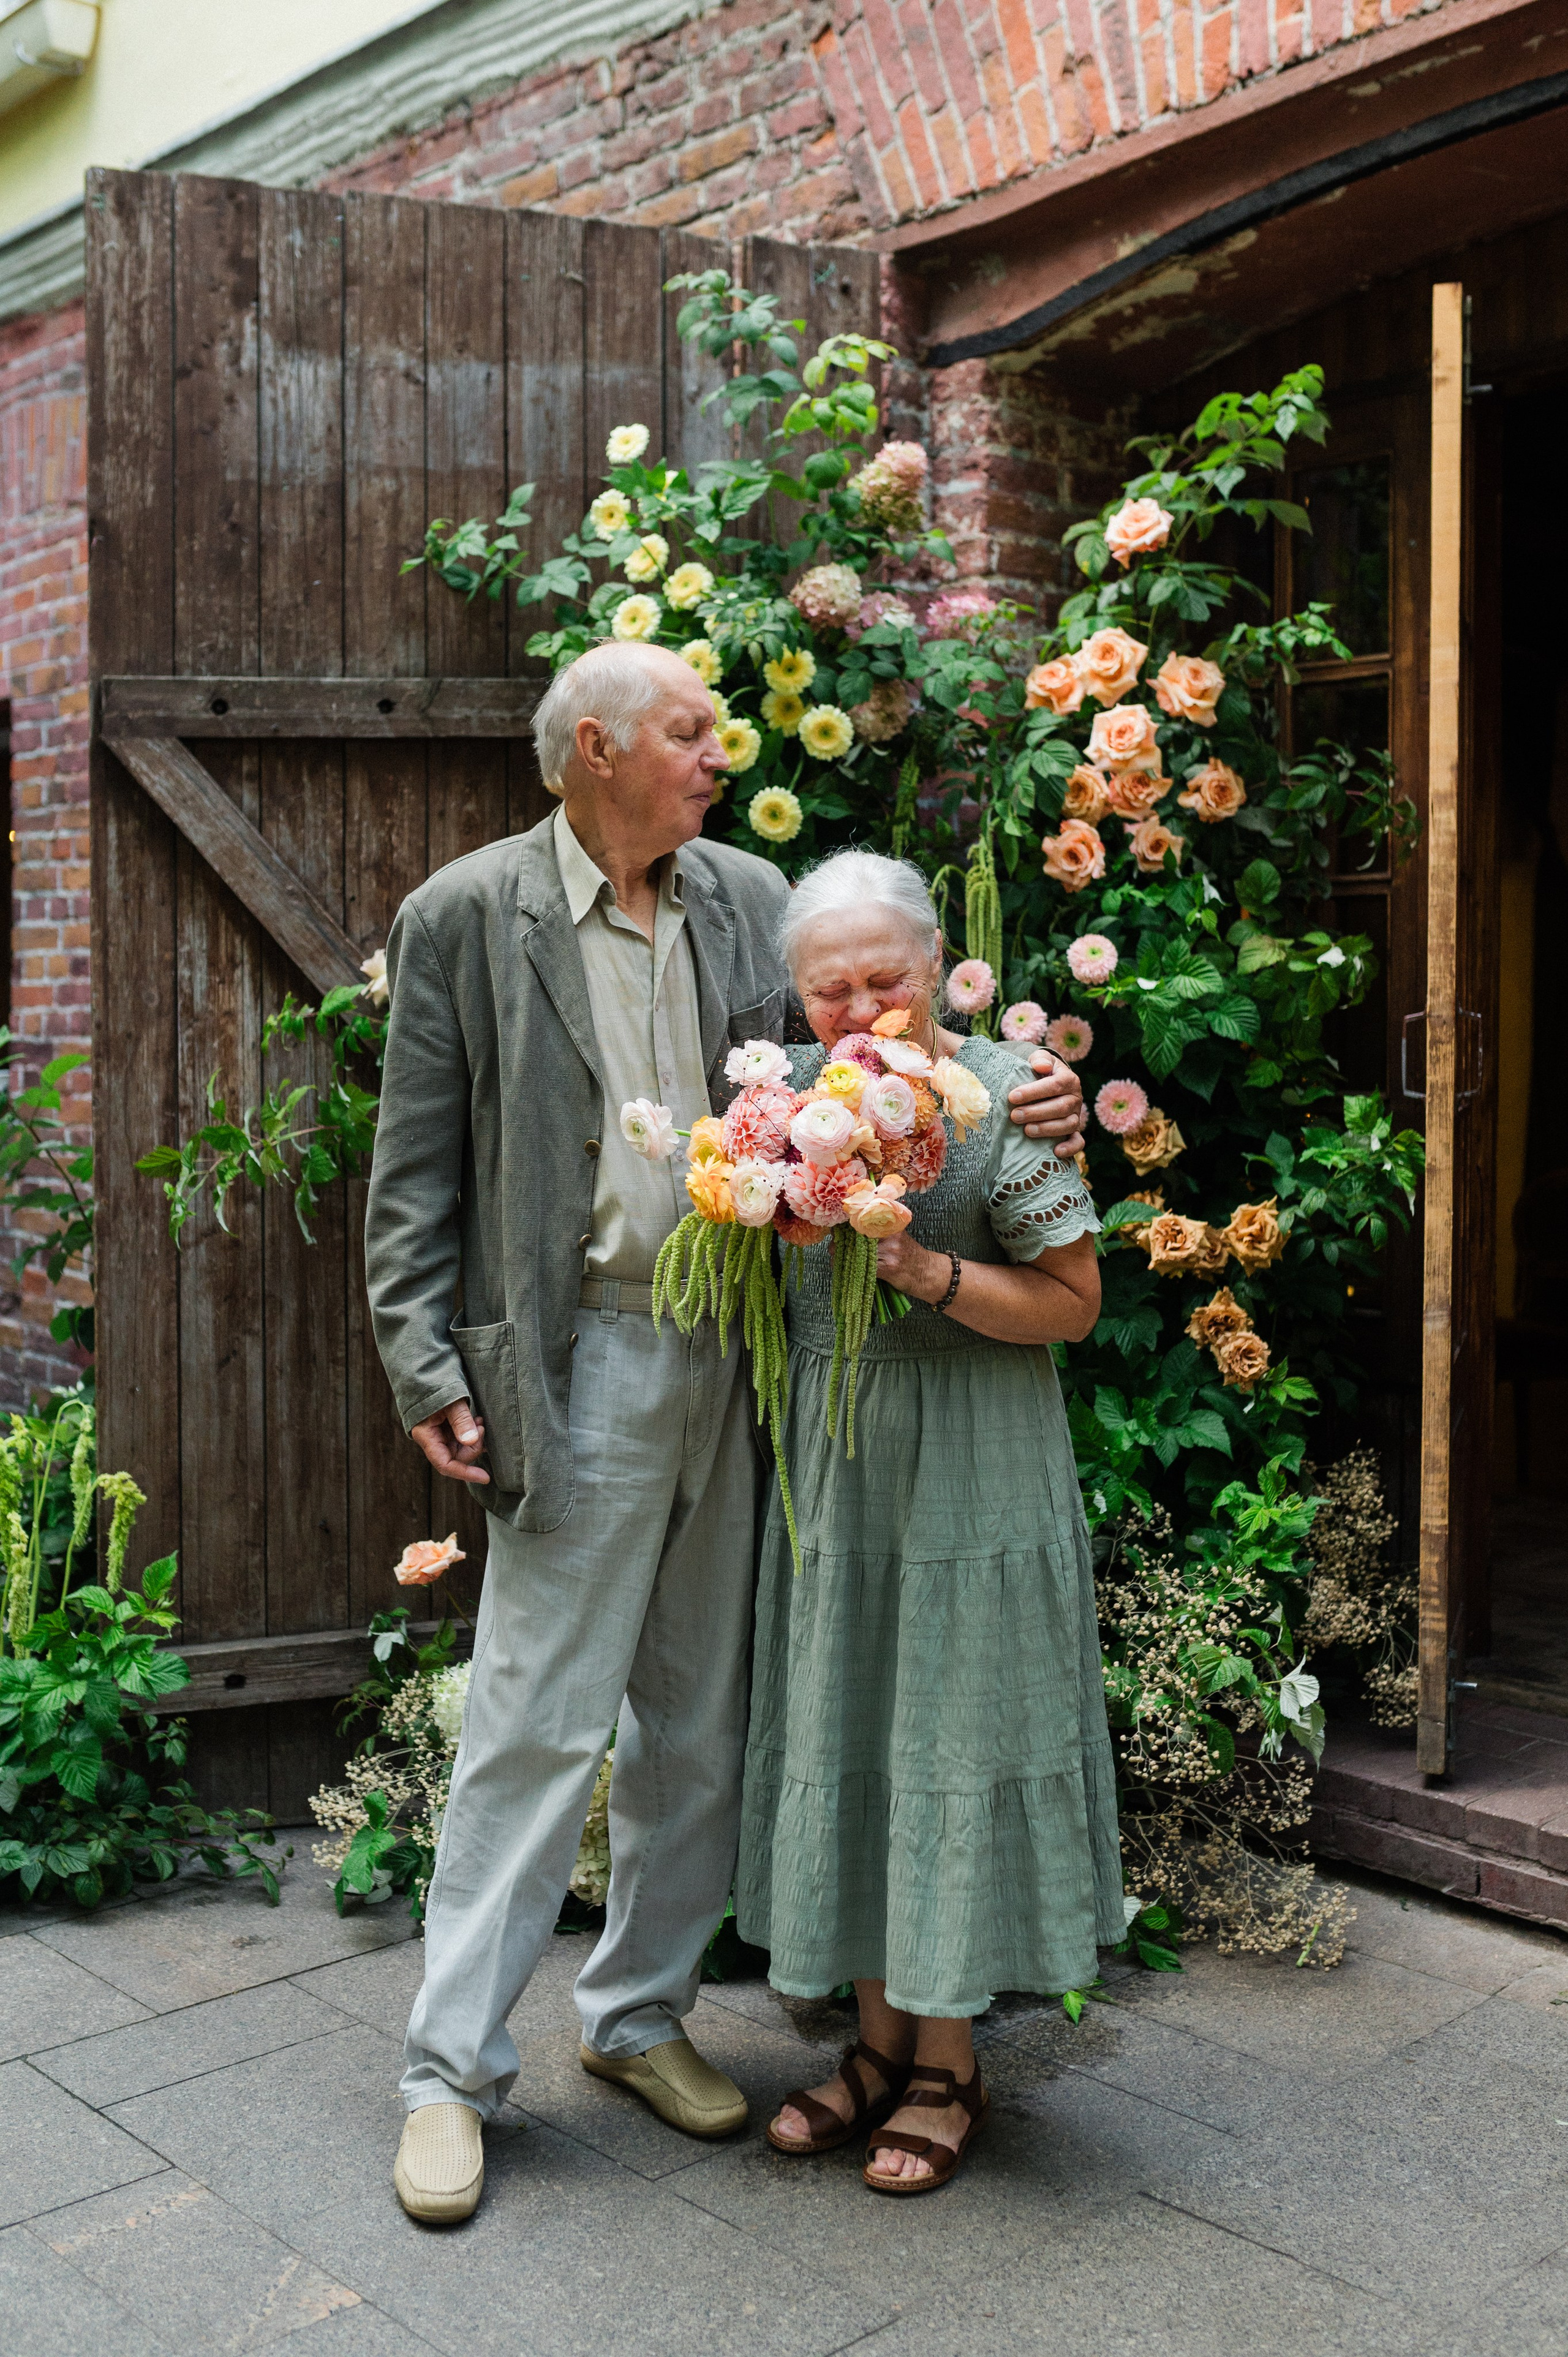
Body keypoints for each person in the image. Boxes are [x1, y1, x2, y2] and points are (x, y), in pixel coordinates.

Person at [362, 641, 1087, 2224]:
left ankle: (632, 2021)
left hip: (751, 1351)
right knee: (539, 1724)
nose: (720, 751)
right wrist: (428, 1367)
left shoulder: (753, 897)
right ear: (596, 749)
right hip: (576, 1363)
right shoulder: (470, 916)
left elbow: (883, 1048)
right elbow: (414, 1174)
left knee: (695, 1722)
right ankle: (449, 2078)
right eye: (692, 730)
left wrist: (1033, 1091)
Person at [736, 850, 1125, 2195]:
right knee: (849, 1722)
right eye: (827, 988)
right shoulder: (779, 1107)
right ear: (794, 995)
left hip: (967, 1465)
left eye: (884, 980)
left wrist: (927, 1269)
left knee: (948, 1736)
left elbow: (1072, 1303)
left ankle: (948, 2062)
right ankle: (875, 2044)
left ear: (935, 964)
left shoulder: (1006, 1100)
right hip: (836, 1472)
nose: (857, 1010)